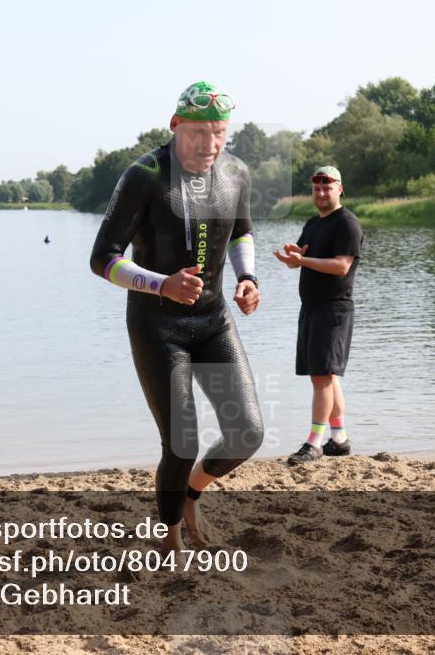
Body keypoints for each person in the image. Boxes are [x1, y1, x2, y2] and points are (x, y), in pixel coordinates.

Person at [89, 81, 264, 554]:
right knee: (182, 442)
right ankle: (167, 533)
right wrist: (161, 283)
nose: (210, 145)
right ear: (175, 126)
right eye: (199, 133)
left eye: (220, 133)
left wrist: (248, 279)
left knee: (247, 432)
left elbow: (242, 232)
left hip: (212, 320)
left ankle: (191, 495)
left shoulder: (236, 173)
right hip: (157, 325)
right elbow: (102, 259)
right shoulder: (144, 175)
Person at [273, 166, 363, 464]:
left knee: (320, 377)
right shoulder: (313, 223)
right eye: (316, 188)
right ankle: (339, 438)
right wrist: (294, 256)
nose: (321, 192)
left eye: (327, 187)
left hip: (334, 308)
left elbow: (341, 266)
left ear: (340, 189)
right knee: (327, 375)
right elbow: (301, 261)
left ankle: (314, 443)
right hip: (311, 307)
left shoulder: (347, 223)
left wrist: (304, 260)